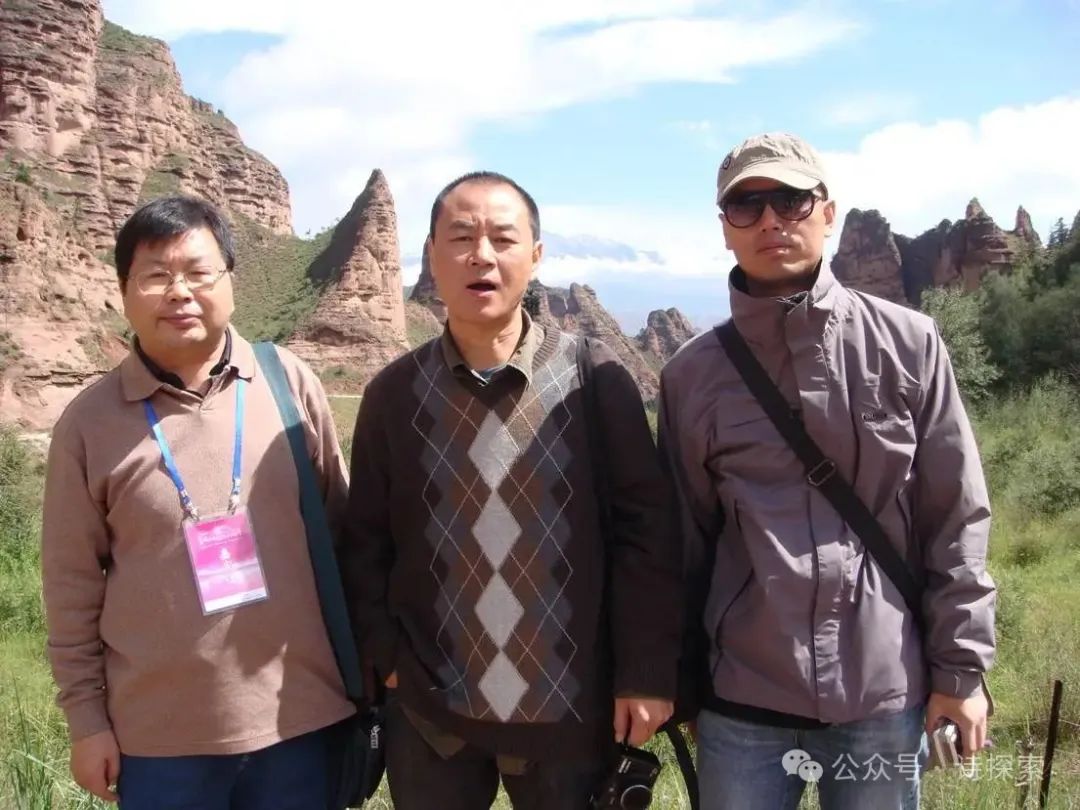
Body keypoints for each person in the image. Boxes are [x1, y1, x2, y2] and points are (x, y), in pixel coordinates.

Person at [658, 133, 996, 810]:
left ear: (829, 213)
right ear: (724, 228)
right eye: (747, 206)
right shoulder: (691, 376)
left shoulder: (909, 345)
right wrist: (683, 684)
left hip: (883, 693)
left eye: (791, 200)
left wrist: (960, 672)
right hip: (742, 701)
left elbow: (955, 517)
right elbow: (682, 546)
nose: (771, 220)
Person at [341, 171, 682, 810]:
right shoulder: (394, 394)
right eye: (461, 238)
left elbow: (646, 534)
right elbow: (365, 541)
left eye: (502, 238)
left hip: (571, 711)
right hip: (432, 714)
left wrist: (645, 672)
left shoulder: (595, 378)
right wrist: (387, 658)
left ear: (536, 255)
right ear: (431, 256)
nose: (482, 255)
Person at [41, 195, 354, 809]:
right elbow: (70, 586)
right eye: (155, 275)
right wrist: (86, 722)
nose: (179, 291)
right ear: (124, 291)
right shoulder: (88, 424)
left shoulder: (289, 383)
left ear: (230, 280)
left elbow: (346, 536)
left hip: (303, 723)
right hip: (158, 744)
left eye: (198, 272)